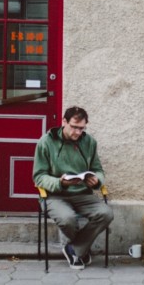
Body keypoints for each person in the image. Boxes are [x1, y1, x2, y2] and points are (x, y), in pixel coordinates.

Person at [33, 106, 114, 269]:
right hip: (55, 195)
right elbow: (39, 176)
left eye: (81, 128)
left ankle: (74, 249)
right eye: (74, 127)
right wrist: (59, 183)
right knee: (67, 218)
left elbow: (98, 169)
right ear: (64, 122)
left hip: (83, 194)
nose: (77, 132)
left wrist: (96, 180)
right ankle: (81, 249)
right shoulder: (46, 142)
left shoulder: (89, 142)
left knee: (106, 214)